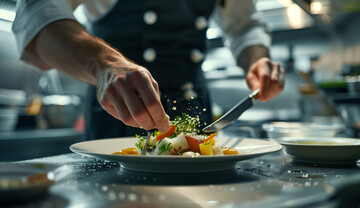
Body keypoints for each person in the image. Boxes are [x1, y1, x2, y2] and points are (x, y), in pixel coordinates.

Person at [12, 0, 285, 140]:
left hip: (197, 113)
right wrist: (104, 64)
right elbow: (36, 11)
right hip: (116, 121)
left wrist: (257, 60)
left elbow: (245, 25)